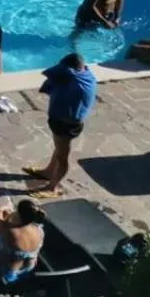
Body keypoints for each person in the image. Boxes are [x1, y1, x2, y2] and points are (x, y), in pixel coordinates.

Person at [25, 52, 97, 198]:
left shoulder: (73, 77)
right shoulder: (86, 74)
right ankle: (49, 172)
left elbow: (47, 73)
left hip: (66, 125)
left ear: (69, 69)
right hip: (65, 121)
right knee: (59, 148)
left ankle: (53, 187)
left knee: (63, 157)